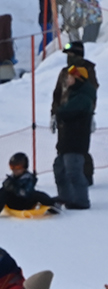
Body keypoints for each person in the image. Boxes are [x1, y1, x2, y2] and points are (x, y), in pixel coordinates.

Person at [54, 65, 96, 210]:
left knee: (73, 171)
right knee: (60, 169)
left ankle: (81, 201)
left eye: (71, 77)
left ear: (78, 79)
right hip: (67, 141)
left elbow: (66, 112)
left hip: (75, 141)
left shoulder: (82, 97)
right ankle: (65, 197)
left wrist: (59, 113)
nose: (68, 80)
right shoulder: (74, 95)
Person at [0, 152, 57, 216]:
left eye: (17, 167)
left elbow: (26, 193)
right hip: (14, 203)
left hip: (26, 203)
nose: (14, 170)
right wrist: (7, 185)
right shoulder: (12, 177)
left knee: (37, 194)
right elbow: (5, 186)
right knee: (3, 190)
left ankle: (53, 206)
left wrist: (14, 188)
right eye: (12, 167)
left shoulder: (28, 178)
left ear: (24, 167)